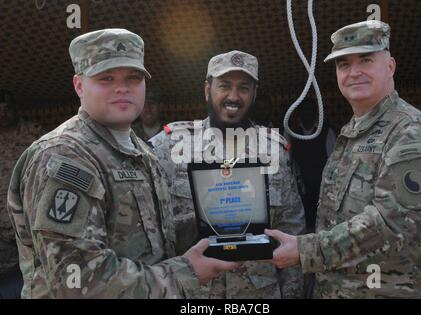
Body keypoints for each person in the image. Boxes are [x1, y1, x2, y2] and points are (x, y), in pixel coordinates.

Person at [6, 28, 238, 299]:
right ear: (79, 85)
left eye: (134, 77)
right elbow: (78, 282)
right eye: (106, 78)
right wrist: (186, 271)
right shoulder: (65, 156)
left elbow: (148, 234)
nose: (123, 87)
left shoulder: (138, 148)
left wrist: (216, 221)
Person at [265, 20, 421, 298]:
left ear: (390, 67)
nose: (354, 72)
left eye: (366, 60)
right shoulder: (352, 133)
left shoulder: (411, 131)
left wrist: (305, 250)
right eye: (343, 64)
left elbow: (394, 222)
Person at [149, 50, 306, 299]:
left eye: (243, 88)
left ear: (254, 93)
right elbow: (151, 234)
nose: (233, 97)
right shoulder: (168, 147)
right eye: (224, 86)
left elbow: (292, 231)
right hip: (194, 295)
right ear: (207, 89)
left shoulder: (274, 150)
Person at [0, 91, 45, 298]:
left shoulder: (35, 133)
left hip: (31, 222)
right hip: (2, 230)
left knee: (37, 279)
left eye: (7, 108)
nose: (3, 114)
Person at [289, 97, 336, 234]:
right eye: (304, 110)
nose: (307, 113)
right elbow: (289, 161)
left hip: (322, 188)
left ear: (316, 112)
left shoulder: (327, 131)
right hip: (301, 189)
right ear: (300, 113)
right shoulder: (292, 133)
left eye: (310, 110)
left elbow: (333, 162)